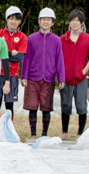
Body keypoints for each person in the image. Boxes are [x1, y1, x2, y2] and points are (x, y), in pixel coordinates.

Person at [21, 8, 65, 137]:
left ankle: (44, 133)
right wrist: (24, 76)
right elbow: (27, 58)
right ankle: (33, 133)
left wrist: (61, 78)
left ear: (52, 22)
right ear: (39, 21)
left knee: (46, 108)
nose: (45, 22)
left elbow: (59, 59)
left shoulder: (56, 40)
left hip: (49, 78)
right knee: (32, 107)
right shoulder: (32, 38)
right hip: (33, 77)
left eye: (48, 20)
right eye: (43, 19)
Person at [59, 9, 89, 138]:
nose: (75, 23)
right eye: (72, 21)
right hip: (66, 78)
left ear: (82, 23)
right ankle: (65, 132)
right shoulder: (63, 39)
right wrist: (60, 76)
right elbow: (58, 58)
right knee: (65, 104)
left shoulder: (88, 39)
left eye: (77, 21)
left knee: (81, 104)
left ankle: (80, 132)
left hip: (81, 78)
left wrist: (84, 71)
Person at [0, 6, 27, 119]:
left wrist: (3, 55)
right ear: (6, 19)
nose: (13, 21)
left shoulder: (22, 37)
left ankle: (9, 127)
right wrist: (9, 53)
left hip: (13, 74)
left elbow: (19, 57)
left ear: (19, 21)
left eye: (16, 19)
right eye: (11, 18)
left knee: (9, 104)